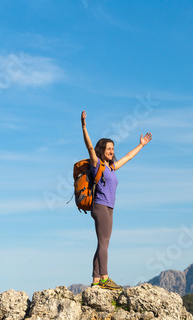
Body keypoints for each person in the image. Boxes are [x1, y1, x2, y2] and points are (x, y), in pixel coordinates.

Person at [81, 110, 152, 290]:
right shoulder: (98, 164)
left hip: (109, 208)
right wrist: (84, 127)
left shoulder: (112, 168)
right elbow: (89, 147)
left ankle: (96, 279)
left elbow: (128, 156)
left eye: (113, 149)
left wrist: (141, 145)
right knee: (104, 242)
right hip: (100, 206)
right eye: (109, 149)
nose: (112, 151)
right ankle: (104, 277)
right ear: (102, 151)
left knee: (103, 242)